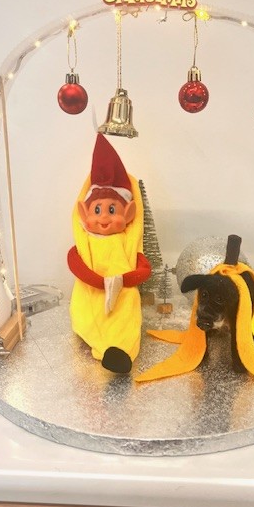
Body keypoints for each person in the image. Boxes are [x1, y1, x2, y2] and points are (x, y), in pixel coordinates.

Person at [68, 134, 151, 374]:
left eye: (112, 210)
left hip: (122, 293)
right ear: (84, 212)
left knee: (126, 316)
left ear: (129, 214)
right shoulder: (85, 243)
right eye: (97, 210)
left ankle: (122, 351)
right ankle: (103, 346)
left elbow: (143, 268)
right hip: (91, 292)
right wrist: (99, 282)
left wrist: (123, 280)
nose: (104, 217)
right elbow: (75, 262)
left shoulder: (127, 241)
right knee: (89, 317)